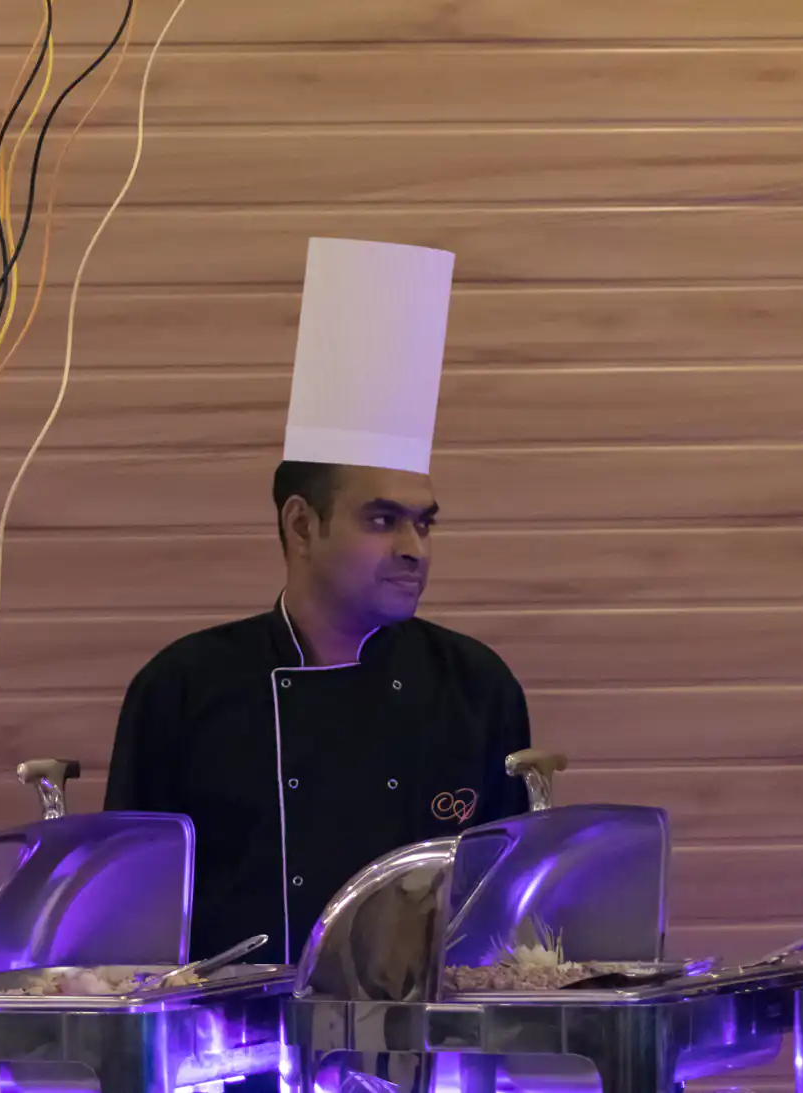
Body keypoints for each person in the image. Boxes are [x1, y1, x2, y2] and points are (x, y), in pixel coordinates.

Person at [103, 238, 532, 968]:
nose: (413, 547)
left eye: (423, 521)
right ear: (302, 524)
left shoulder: (475, 686)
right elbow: (125, 933)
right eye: (381, 518)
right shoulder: (183, 688)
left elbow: (506, 926)